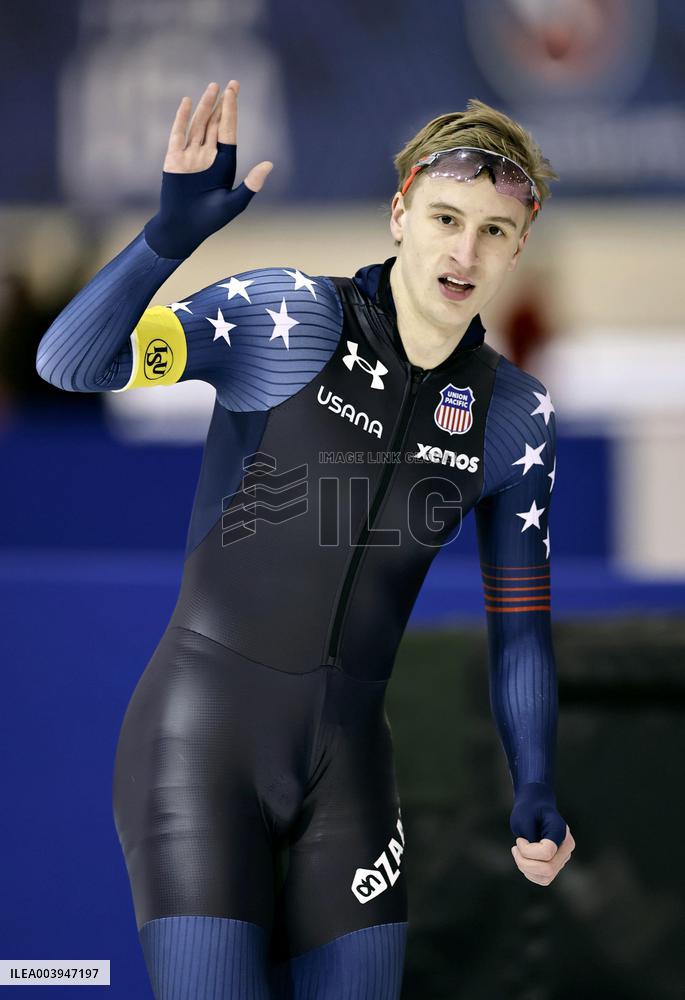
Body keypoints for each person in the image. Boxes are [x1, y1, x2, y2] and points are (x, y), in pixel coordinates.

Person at [36, 80, 576, 999]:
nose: (464, 249)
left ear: (518, 246)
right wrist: (168, 237)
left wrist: (535, 782)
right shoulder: (285, 318)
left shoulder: (513, 418)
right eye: (445, 217)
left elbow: (519, 626)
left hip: (351, 772)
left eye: (493, 230)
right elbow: (67, 363)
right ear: (398, 212)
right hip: (201, 744)